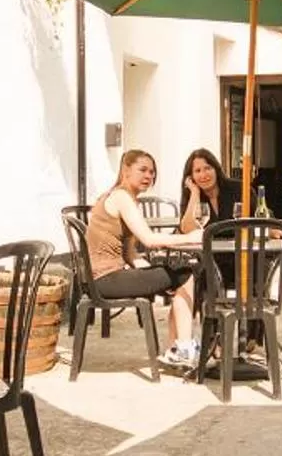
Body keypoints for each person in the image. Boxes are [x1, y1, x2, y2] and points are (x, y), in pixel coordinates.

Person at [87, 149, 204, 366]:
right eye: (143, 170)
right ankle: (184, 349)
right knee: (185, 275)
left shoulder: (126, 198)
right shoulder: (121, 197)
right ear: (125, 170)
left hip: (106, 275)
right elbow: (149, 239)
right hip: (104, 278)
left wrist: (154, 271)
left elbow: (130, 254)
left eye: (152, 172)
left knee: (177, 273)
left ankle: (175, 350)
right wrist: (192, 238)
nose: (148, 176)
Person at [175, 147, 238, 236]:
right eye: (198, 171)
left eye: (208, 168)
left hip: (238, 247)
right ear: (191, 176)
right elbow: (187, 231)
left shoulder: (238, 189)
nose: (203, 175)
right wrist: (195, 193)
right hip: (206, 249)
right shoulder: (191, 195)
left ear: (216, 169)